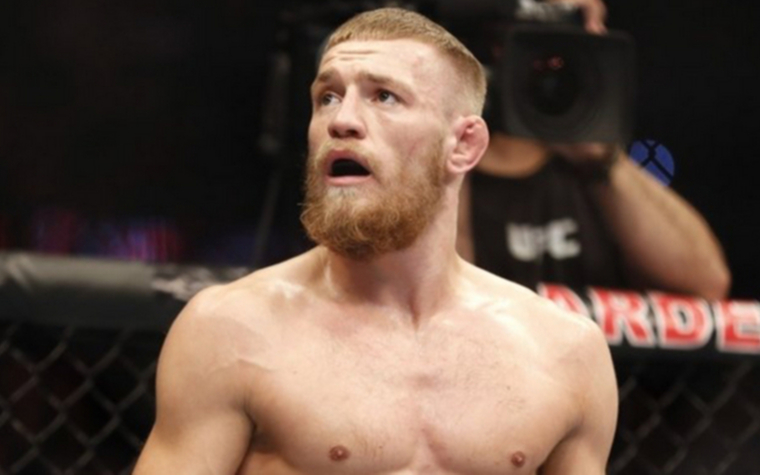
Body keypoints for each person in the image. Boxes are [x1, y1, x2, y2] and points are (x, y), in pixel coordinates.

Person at [133, 7, 618, 475]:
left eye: (384, 96)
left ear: (463, 145)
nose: (341, 120)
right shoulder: (231, 330)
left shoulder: (564, 351)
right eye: (327, 97)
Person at [457, 0, 731, 300]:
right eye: (499, 46)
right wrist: (453, 140)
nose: (519, 68)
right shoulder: (446, 173)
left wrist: (601, 158)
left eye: (548, 56)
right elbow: (445, 299)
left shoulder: (592, 169)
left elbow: (708, 284)